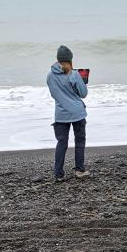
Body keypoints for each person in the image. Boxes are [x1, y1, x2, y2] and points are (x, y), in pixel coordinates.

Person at [47, 45, 89, 181]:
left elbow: (54, 94)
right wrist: (82, 83)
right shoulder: (74, 74)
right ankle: (79, 169)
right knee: (79, 141)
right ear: (70, 60)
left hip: (61, 114)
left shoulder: (50, 76)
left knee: (61, 143)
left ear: (58, 59)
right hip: (77, 112)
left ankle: (58, 174)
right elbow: (83, 94)